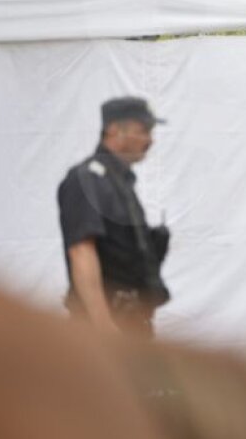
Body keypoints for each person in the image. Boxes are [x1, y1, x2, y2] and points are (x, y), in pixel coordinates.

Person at [57, 97, 171, 337]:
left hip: (131, 321)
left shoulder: (119, 182)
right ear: (114, 130)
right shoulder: (86, 180)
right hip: (104, 326)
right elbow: (81, 251)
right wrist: (103, 325)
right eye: (143, 131)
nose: (150, 140)